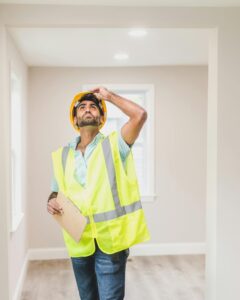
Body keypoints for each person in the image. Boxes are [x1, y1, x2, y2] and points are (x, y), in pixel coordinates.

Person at [47, 86, 150, 300]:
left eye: (93, 106)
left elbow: (139, 115)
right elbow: (55, 192)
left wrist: (109, 97)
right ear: (75, 118)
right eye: (82, 107)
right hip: (79, 241)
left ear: (101, 117)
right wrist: (51, 202)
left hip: (110, 242)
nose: (87, 109)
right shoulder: (61, 155)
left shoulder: (115, 145)